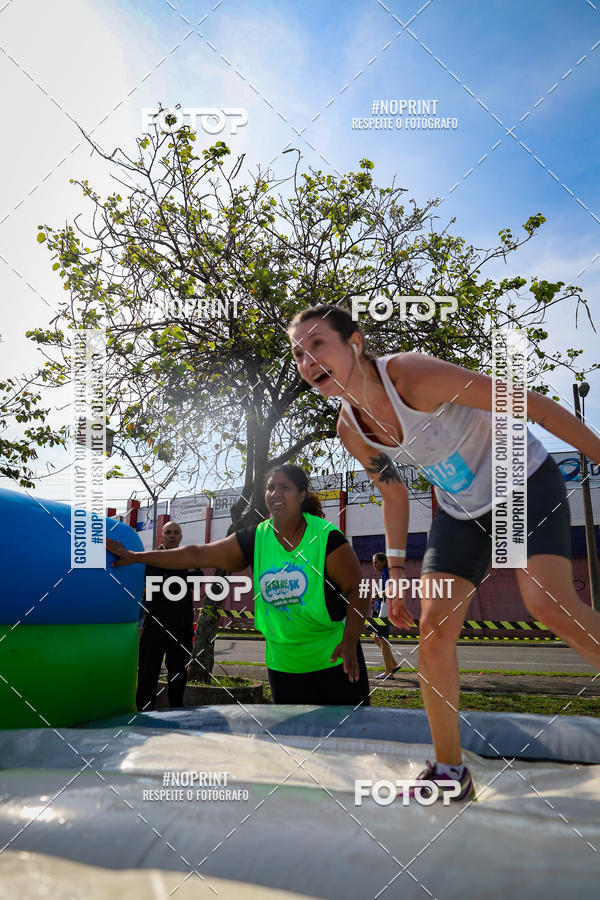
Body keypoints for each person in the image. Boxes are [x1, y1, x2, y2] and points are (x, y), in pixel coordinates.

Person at [287, 303, 600, 801]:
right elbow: (392, 494)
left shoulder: (410, 376)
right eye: (298, 354)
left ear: (354, 343)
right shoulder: (350, 429)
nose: (306, 361)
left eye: (317, 344)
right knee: (432, 632)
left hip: (521, 480)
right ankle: (450, 773)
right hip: (461, 512)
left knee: (548, 605)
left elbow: (531, 403)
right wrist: (393, 579)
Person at [108, 464, 371, 706]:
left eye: (285, 487)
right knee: (296, 749)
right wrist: (136, 556)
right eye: (270, 487)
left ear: (302, 494)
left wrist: (350, 640)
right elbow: (197, 554)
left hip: (336, 662)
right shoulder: (256, 537)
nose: (275, 493)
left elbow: (357, 587)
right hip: (284, 667)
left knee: (346, 749)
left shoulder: (325, 537)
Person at [136, 521, 201, 711]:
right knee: (148, 676)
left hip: (181, 628)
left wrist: (165, 581)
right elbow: (148, 589)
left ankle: (176, 716)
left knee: (178, 677)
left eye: (176, 532)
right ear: (161, 536)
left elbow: (197, 583)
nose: (172, 535)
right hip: (154, 629)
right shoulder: (151, 559)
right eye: (168, 532)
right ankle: (144, 716)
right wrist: (179, 579)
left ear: (181, 537)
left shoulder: (189, 557)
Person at [371, 552, 401, 680]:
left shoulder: (386, 571)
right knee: (375, 636)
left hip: (385, 609)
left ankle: (389, 672)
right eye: (373, 562)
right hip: (381, 609)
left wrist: (377, 595)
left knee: (382, 638)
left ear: (383, 561)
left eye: (376, 562)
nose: (374, 565)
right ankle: (393, 664)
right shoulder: (385, 572)